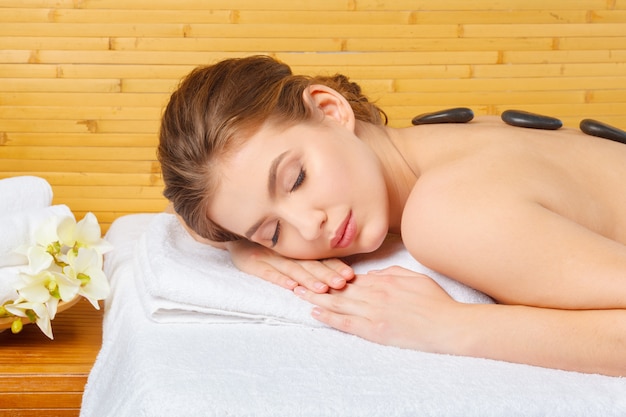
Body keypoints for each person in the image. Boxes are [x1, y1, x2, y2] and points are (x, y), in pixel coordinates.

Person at [158, 55, 626, 377]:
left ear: (329, 109)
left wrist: (453, 328)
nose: (308, 224)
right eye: (274, 232)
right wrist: (241, 245)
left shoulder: (445, 213)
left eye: (296, 178)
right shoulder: (443, 136)